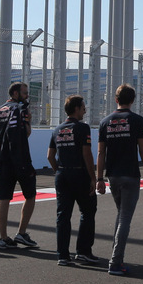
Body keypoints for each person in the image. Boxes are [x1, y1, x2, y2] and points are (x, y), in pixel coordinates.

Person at [96, 84, 143, 276]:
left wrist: (99, 178)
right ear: (133, 100)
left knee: (121, 215)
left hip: (112, 175)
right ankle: (115, 262)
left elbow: (100, 152)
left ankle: (116, 257)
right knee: (125, 218)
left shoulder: (105, 122)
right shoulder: (137, 120)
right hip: (130, 175)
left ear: (115, 99)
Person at [47, 95, 98, 267]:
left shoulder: (57, 129)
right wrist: (93, 177)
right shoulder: (83, 128)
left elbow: (49, 156)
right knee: (88, 212)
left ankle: (62, 255)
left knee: (63, 216)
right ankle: (83, 252)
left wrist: (59, 171)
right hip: (79, 175)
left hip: (62, 175)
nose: (85, 109)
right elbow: (87, 154)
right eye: (83, 106)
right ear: (76, 108)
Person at [0, 82, 38, 249]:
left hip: (2, 158)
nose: (27, 96)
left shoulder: (1, 109)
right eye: (25, 93)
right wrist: (29, 121)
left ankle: (3, 237)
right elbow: (25, 133)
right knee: (30, 194)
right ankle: (21, 232)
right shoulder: (20, 109)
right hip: (20, 159)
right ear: (15, 93)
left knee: (3, 198)